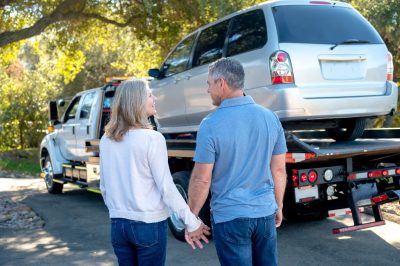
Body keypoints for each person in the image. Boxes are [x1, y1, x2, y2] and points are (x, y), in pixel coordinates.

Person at [186, 58, 287, 266]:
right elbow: (278, 170)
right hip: (265, 213)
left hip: (230, 217)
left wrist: (192, 217)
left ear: (221, 83)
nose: (208, 90)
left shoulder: (210, 125)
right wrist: (279, 205)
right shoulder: (270, 117)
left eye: (209, 84)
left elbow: (201, 179)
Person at [99, 78, 210, 266]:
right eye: (150, 94)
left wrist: (119, 211)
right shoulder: (152, 139)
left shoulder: (106, 140)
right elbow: (166, 188)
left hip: (118, 225)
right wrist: (192, 222)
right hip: (147, 225)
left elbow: (104, 187)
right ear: (137, 101)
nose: (154, 98)